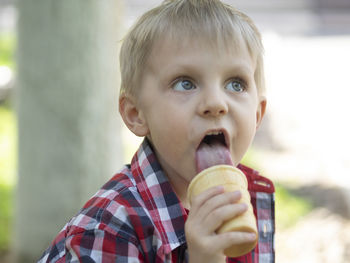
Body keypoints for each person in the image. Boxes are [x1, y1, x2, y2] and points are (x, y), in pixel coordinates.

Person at [38, 0, 275, 262]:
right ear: (136, 114)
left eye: (235, 84)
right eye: (185, 83)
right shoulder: (108, 230)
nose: (216, 103)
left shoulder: (247, 202)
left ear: (257, 114)